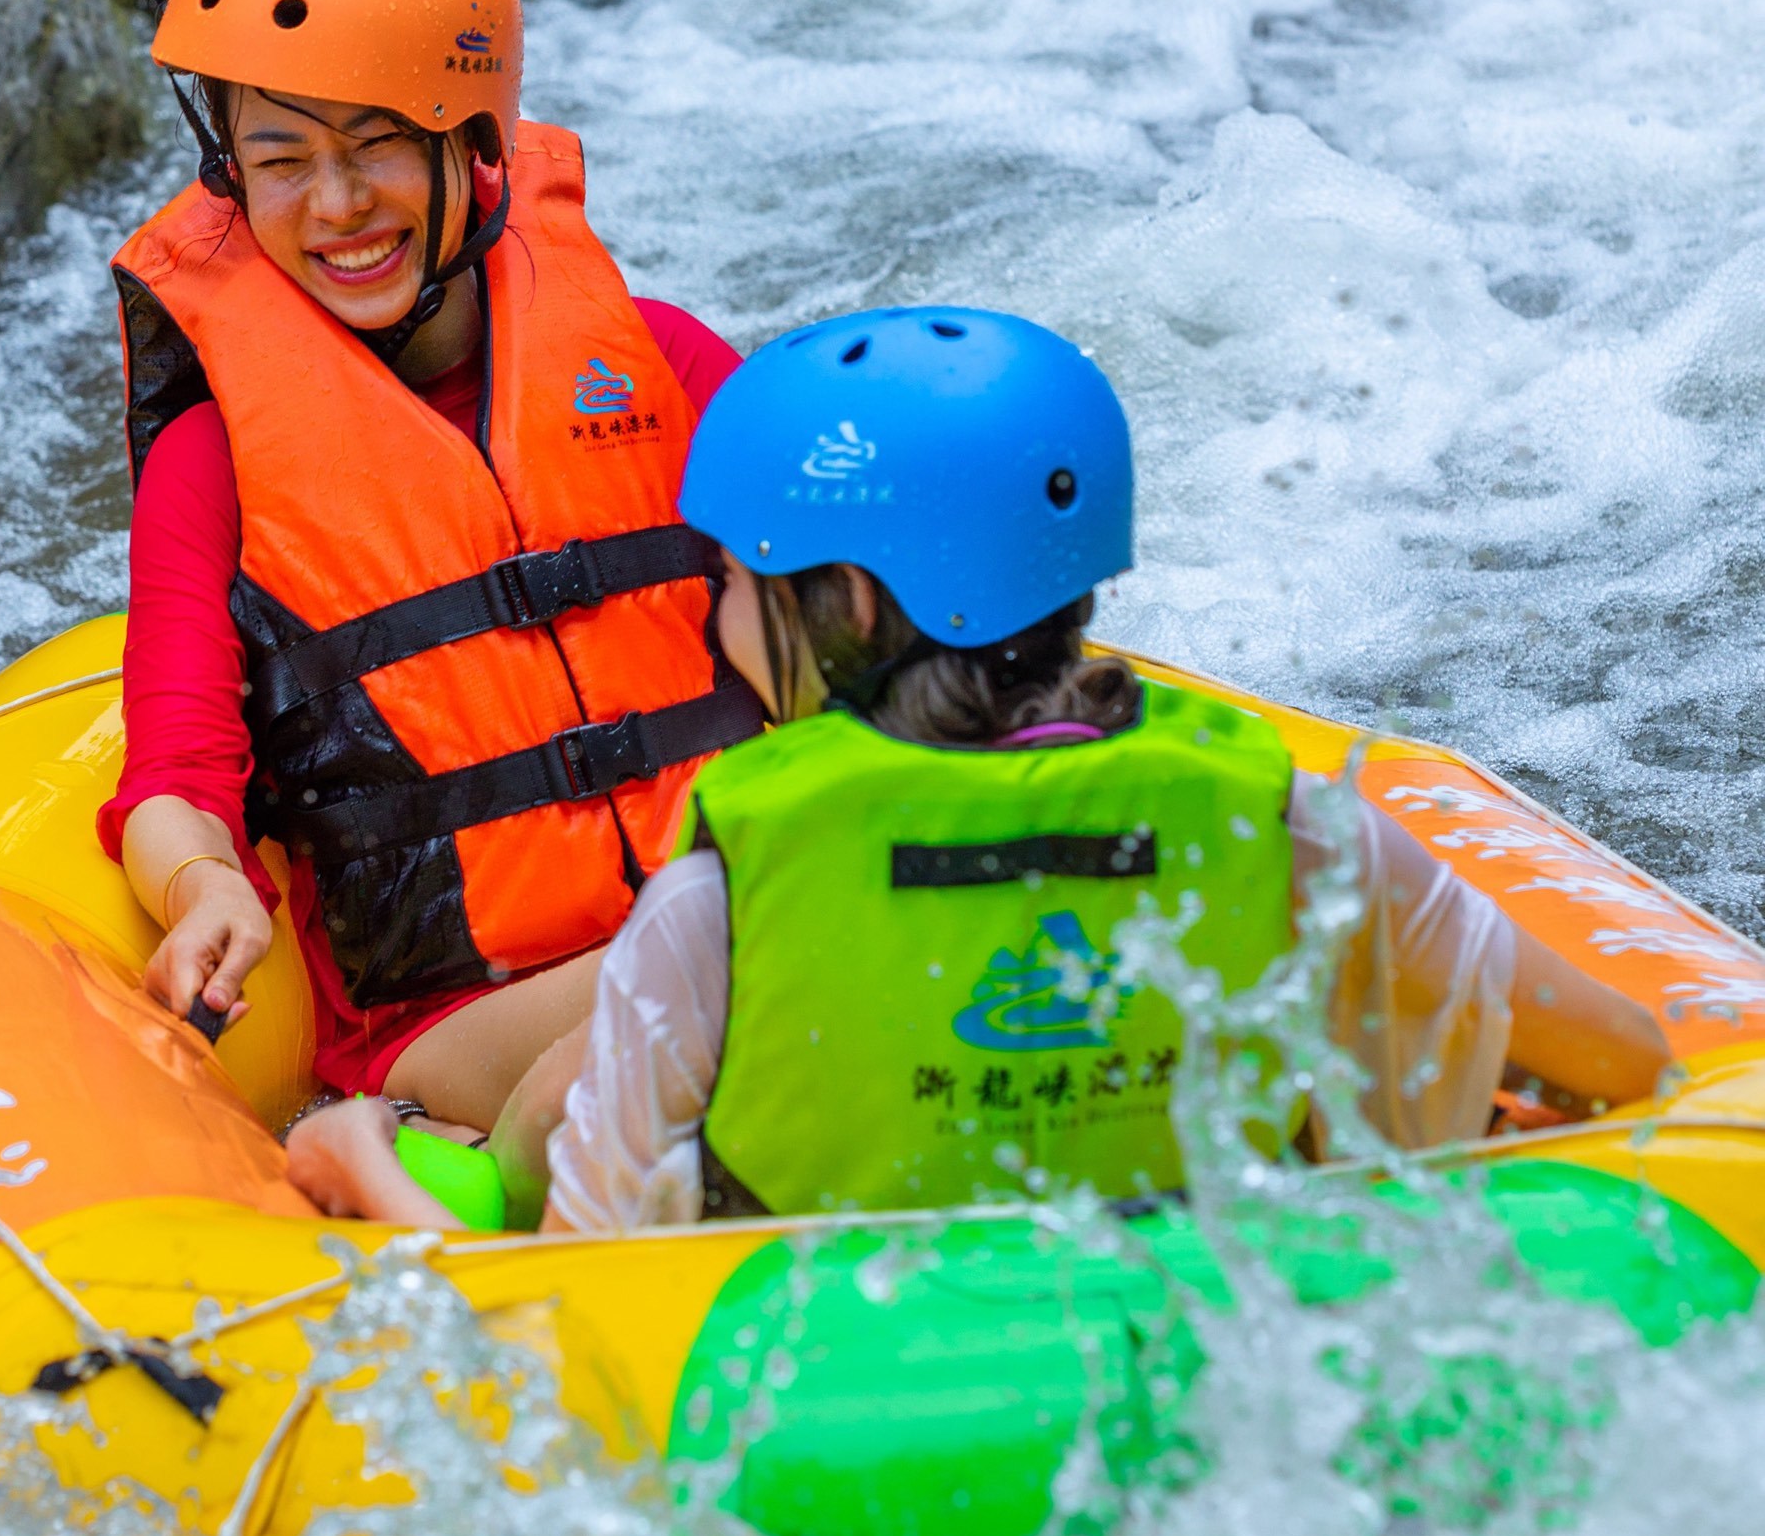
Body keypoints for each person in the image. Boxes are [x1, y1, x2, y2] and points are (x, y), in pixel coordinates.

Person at [518, 307, 1671, 1231]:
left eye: (731, 580)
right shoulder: (1283, 824)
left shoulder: (721, 898)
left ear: (854, 601)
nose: (713, 617)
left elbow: (584, 1285)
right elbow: (1622, 1058)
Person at [97, 0, 762, 1217]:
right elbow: (175, 776)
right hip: (457, 1016)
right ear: (231, 175)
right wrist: (206, 883)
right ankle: (402, 1154)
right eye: (280, 159)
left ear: (476, 143)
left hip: (717, 916)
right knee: (747, 955)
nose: (335, 205)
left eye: (378, 145)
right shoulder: (213, 465)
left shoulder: (664, 360)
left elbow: (857, 633)